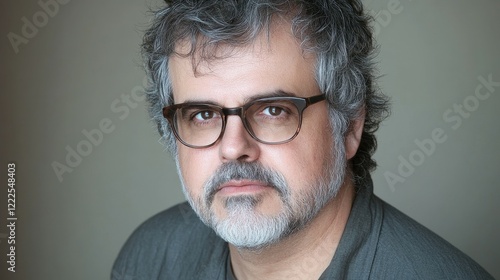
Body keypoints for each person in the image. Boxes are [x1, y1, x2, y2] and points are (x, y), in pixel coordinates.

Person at [112, 0, 493, 279]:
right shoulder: (148, 259)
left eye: (273, 110)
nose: (232, 147)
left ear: (349, 127)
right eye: (203, 115)